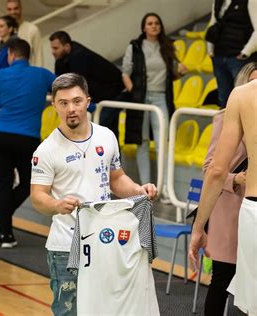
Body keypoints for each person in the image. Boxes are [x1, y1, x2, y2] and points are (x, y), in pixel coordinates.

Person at [30, 73, 157, 315]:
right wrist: (56, 205)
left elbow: (116, 178)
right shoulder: (46, 150)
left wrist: (138, 190)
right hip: (65, 247)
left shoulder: (106, 136)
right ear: (54, 105)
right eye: (63, 103)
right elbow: (38, 196)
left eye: (76, 101)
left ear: (88, 101)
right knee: (69, 311)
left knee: (104, 309)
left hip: (104, 243)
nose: (71, 109)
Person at [0, 38, 55, 248]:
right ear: (28, 56)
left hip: (2, 135)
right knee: (28, 184)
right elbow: (66, 87)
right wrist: (89, 105)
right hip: (29, 139)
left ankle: (5, 233)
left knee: (3, 185)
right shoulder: (42, 75)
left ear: (11, 55)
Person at [189, 69, 257, 316]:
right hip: (233, 209)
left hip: (251, 208)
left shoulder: (243, 97)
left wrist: (198, 227)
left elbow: (216, 171)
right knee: (223, 281)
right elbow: (213, 169)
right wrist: (236, 179)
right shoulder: (226, 115)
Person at [122, 12, 187, 200]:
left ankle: (164, 188)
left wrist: (181, 72)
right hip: (142, 99)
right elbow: (125, 72)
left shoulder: (167, 46)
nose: (153, 26)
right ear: (144, 27)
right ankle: (145, 189)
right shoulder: (134, 46)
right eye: (150, 23)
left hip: (161, 98)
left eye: (157, 23)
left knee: (162, 144)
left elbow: (173, 74)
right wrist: (134, 92)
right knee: (142, 142)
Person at [49, 30, 124, 115]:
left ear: (66, 46)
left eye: (56, 48)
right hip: (100, 94)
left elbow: (78, 83)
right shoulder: (61, 58)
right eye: (52, 48)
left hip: (113, 92)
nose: (53, 52)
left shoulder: (79, 56)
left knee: (102, 124)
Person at [206, 0, 257, 108]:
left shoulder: (251, 1)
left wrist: (245, 52)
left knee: (245, 98)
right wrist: (210, 49)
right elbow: (212, 24)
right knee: (224, 98)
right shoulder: (217, 2)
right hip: (219, 56)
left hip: (239, 58)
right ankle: (227, 124)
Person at [0, 0, 43, 78]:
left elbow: (39, 58)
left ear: (21, 9)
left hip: (26, 77)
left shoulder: (32, 29)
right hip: (5, 78)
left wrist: (39, 80)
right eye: (9, 9)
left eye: (16, 8)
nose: (13, 12)